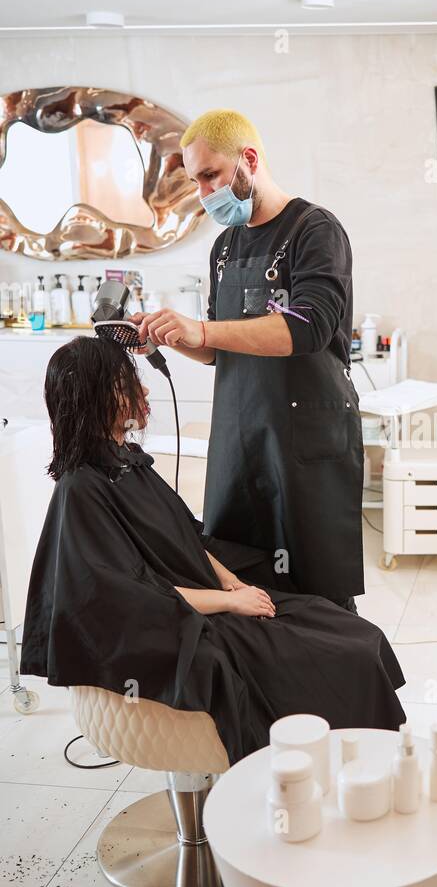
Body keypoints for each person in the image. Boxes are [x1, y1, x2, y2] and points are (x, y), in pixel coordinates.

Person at [20, 336, 406, 767]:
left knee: (357, 633)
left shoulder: (127, 460)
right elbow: (128, 596)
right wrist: (228, 602)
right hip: (177, 625)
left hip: (206, 598)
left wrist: (228, 578)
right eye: (127, 382)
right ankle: (334, 771)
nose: (144, 391)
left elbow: (187, 535)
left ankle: (361, 765)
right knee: (345, 654)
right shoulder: (81, 490)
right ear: (95, 396)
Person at [129, 108, 364, 614]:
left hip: (304, 445)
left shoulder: (314, 230)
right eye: (196, 181)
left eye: (211, 175)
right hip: (240, 441)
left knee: (317, 593)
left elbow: (309, 327)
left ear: (248, 160)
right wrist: (172, 336)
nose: (204, 192)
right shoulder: (224, 247)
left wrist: (204, 328)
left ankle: (336, 687)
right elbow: (218, 349)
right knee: (242, 583)